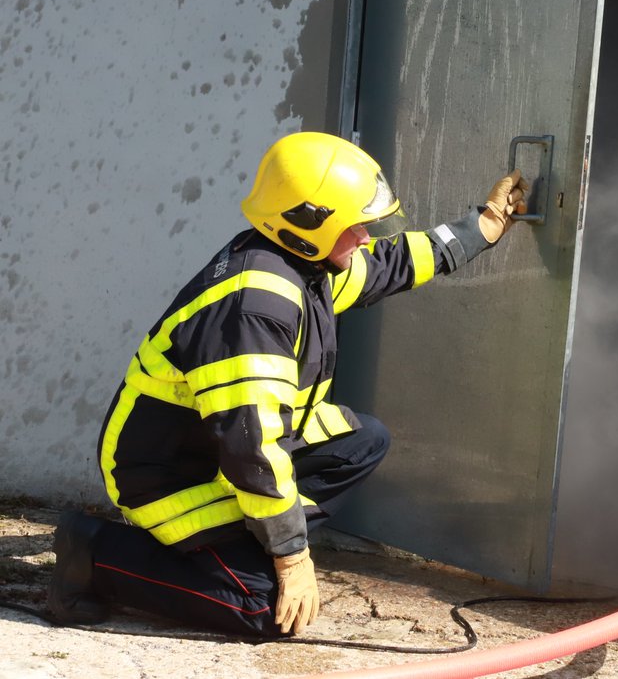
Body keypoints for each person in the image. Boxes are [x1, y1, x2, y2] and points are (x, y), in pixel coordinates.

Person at [47, 131, 529, 638]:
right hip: (167, 479)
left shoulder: (304, 261)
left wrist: (483, 227)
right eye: (357, 226)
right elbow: (252, 450)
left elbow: (392, 264)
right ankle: (96, 553)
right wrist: (292, 558)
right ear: (309, 224)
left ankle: (243, 546)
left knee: (362, 442)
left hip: (223, 453)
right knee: (260, 607)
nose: (367, 237)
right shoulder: (254, 309)